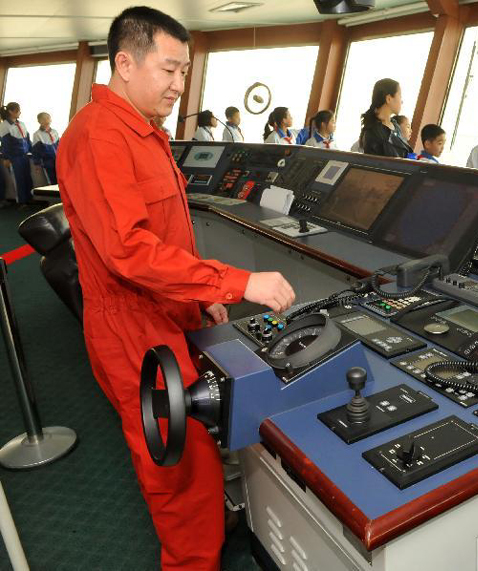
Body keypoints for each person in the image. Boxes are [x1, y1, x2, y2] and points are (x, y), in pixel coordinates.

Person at [56, 7, 296, 569]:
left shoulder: (143, 132)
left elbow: (165, 240)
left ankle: (214, 521)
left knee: (198, 457)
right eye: (168, 70)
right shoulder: (99, 137)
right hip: (131, 329)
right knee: (178, 476)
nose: (179, 85)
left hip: (166, 312)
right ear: (124, 62)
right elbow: (130, 251)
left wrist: (199, 294)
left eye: (184, 72)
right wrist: (239, 282)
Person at [359, 78, 413, 158]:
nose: (402, 101)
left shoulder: (395, 126)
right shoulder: (373, 131)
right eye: (400, 96)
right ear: (388, 99)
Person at [0, 102, 34, 204]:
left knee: (27, 178)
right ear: (11, 111)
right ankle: (22, 202)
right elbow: (5, 143)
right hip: (13, 157)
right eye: (18, 110)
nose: (20, 112)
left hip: (24, 156)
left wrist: (32, 152)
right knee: (18, 179)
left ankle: (29, 199)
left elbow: (28, 140)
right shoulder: (4, 125)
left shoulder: (21, 124)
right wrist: (6, 158)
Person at [31, 112, 61, 185]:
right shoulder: (37, 134)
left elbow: (60, 146)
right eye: (43, 119)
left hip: (57, 160)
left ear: (51, 120)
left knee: (60, 180)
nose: (46, 120)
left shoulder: (55, 132)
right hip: (47, 161)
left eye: (48, 118)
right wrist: (37, 163)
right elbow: (36, 151)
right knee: (52, 181)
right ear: (39, 121)